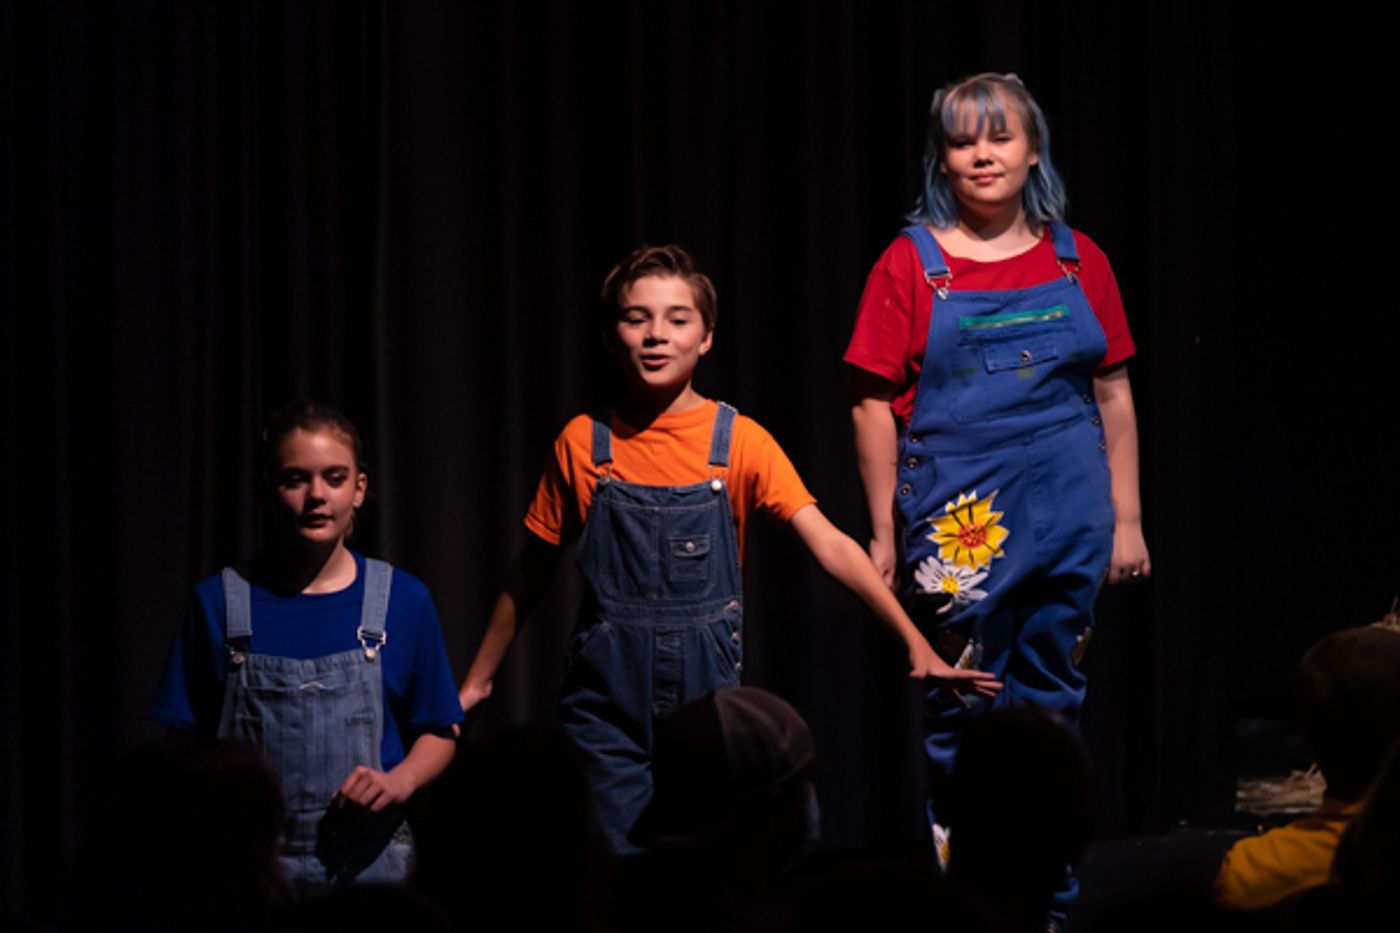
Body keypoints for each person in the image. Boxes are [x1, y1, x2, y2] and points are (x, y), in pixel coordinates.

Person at [458, 244, 1001, 854]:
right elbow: (529, 573)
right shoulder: (585, 443)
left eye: (677, 318)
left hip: (707, 710)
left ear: (707, 337)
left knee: (707, 867)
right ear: (613, 335)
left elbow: (829, 544)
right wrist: (476, 682)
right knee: (620, 871)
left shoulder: (737, 441)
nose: (656, 334)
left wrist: (916, 642)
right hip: (606, 710)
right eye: (637, 318)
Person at [844, 72, 1149, 914]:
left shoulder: (1076, 256)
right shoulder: (912, 264)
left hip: (1072, 502)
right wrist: (881, 530)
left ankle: (1047, 895)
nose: (983, 154)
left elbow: (1114, 390)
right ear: (941, 157)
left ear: (1033, 149)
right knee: (961, 705)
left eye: (1000, 136)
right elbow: (871, 403)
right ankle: (970, 903)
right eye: (963, 139)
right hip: (959, 516)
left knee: (1053, 700)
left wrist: (1126, 518)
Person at [153, 401, 462, 891]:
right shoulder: (217, 604)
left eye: (334, 478)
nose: (316, 495)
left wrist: (398, 781)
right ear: (266, 487)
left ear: (359, 489)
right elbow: (182, 748)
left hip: (370, 872)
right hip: (252, 875)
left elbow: (440, 731)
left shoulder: (404, 600)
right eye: (296, 478)